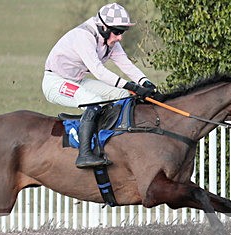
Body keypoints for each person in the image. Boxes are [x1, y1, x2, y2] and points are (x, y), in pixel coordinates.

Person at [43, 3, 157, 168]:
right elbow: (99, 71)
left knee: (124, 96)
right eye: (117, 32)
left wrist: (145, 82)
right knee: (94, 102)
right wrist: (132, 86)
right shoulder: (84, 37)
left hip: (78, 80)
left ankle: (114, 139)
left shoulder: (109, 39)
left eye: (122, 32)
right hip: (55, 82)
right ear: (103, 27)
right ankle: (84, 154)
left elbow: (126, 65)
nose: (119, 37)